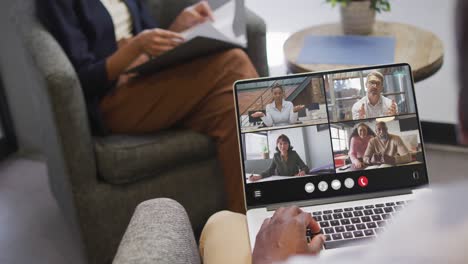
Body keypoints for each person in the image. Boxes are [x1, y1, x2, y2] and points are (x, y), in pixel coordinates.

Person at [198, 1, 468, 263]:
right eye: (280, 144)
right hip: (354, 186)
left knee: (222, 222)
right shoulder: (430, 218)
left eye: (282, 143)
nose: (281, 146)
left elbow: (304, 151)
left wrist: (271, 258)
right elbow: (277, 168)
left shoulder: (420, 228)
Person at [37, 0, 258, 213]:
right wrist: (134, 48)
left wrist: (176, 28)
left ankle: (255, 229)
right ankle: (275, 208)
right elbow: (82, 80)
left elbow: (147, 38)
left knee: (231, 107)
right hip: (112, 98)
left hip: (147, 75)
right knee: (235, 63)